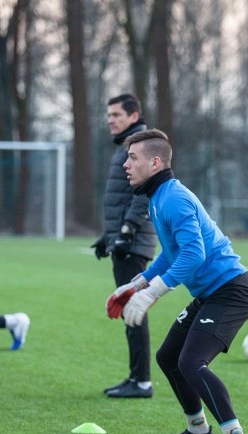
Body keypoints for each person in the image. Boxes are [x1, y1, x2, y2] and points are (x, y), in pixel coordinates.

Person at [107, 129, 248, 434]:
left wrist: (154, 293)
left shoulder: (172, 198)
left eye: (132, 158)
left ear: (155, 161)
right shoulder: (160, 197)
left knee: (192, 363)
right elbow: (172, 252)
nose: (126, 166)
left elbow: (193, 255)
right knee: (169, 357)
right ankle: (197, 430)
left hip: (231, 292)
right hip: (210, 293)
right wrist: (139, 282)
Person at [91, 93, 158, 398]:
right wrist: (108, 236)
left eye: (116, 115)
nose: (110, 121)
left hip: (133, 243)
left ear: (134, 116)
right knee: (129, 308)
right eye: (108, 116)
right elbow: (120, 198)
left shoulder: (138, 146)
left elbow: (143, 191)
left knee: (134, 309)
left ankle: (142, 381)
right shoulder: (126, 146)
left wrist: (128, 230)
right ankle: (135, 377)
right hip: (122, 241)